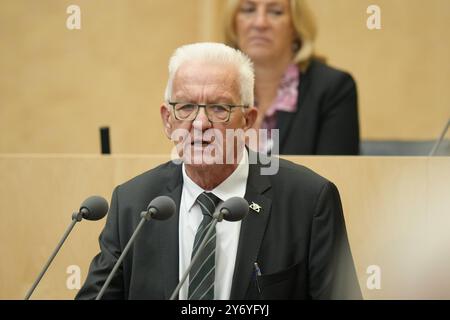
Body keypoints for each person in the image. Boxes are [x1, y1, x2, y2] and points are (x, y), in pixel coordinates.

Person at [76, 42, 361, 300]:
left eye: (219, 108)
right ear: (167, 121)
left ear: (247, 120)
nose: (200, 124)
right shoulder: (134, 203)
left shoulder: (308, 201)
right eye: (186, 107)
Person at [224, 0, 360, 155]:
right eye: (249, 10)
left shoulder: (333, 89)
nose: (260, 23)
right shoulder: (215, 87)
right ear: (234, 24)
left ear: (296, 26)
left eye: (275, 12)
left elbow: (336, 173)